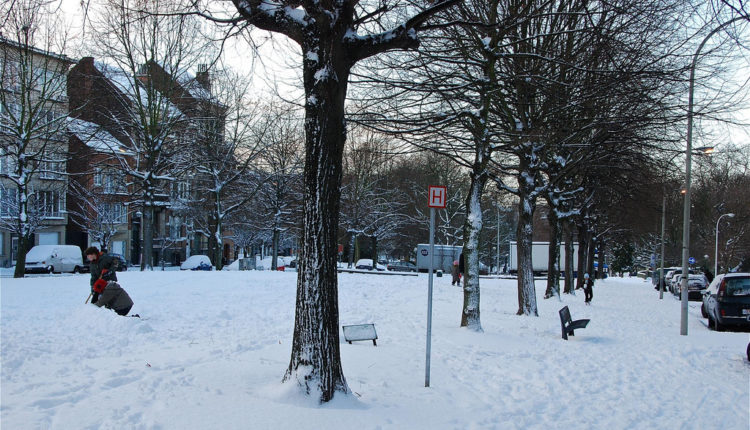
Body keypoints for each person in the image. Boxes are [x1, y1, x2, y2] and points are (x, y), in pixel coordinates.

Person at [85, 246, 134, 316]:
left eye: (88, 256)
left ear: (93, 254)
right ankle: (93, 314)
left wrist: (110, 271)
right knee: (95, 298)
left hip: (109, 283)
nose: (88, 257)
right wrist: (93, 287)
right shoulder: (92, 264)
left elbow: (115, 262)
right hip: (100, 284)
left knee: (107, 298)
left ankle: (109, 314)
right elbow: (93, 277)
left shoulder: (105, 258)